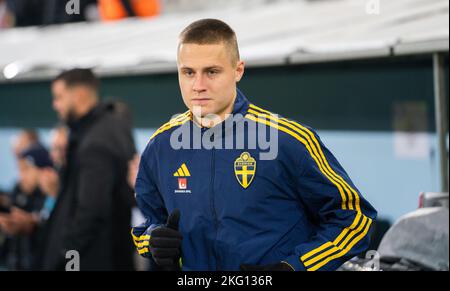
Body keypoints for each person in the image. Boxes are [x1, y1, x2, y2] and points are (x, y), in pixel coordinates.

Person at [132, 19, 378, 271]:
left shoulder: (289, 140)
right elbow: (146, 223)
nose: (198, 86)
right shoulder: (161, 147)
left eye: (212, 71)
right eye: (188, 72)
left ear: (238, 70)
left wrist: (294, 267)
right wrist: (153, 240)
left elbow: (355, 219)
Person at [40, 68, 136, 271]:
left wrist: (63, 255)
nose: (54, 105)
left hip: (95, 258)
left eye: (59, 97)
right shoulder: (110, 128)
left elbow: (91, 211)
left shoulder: (96, 142)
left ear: (80, 94)